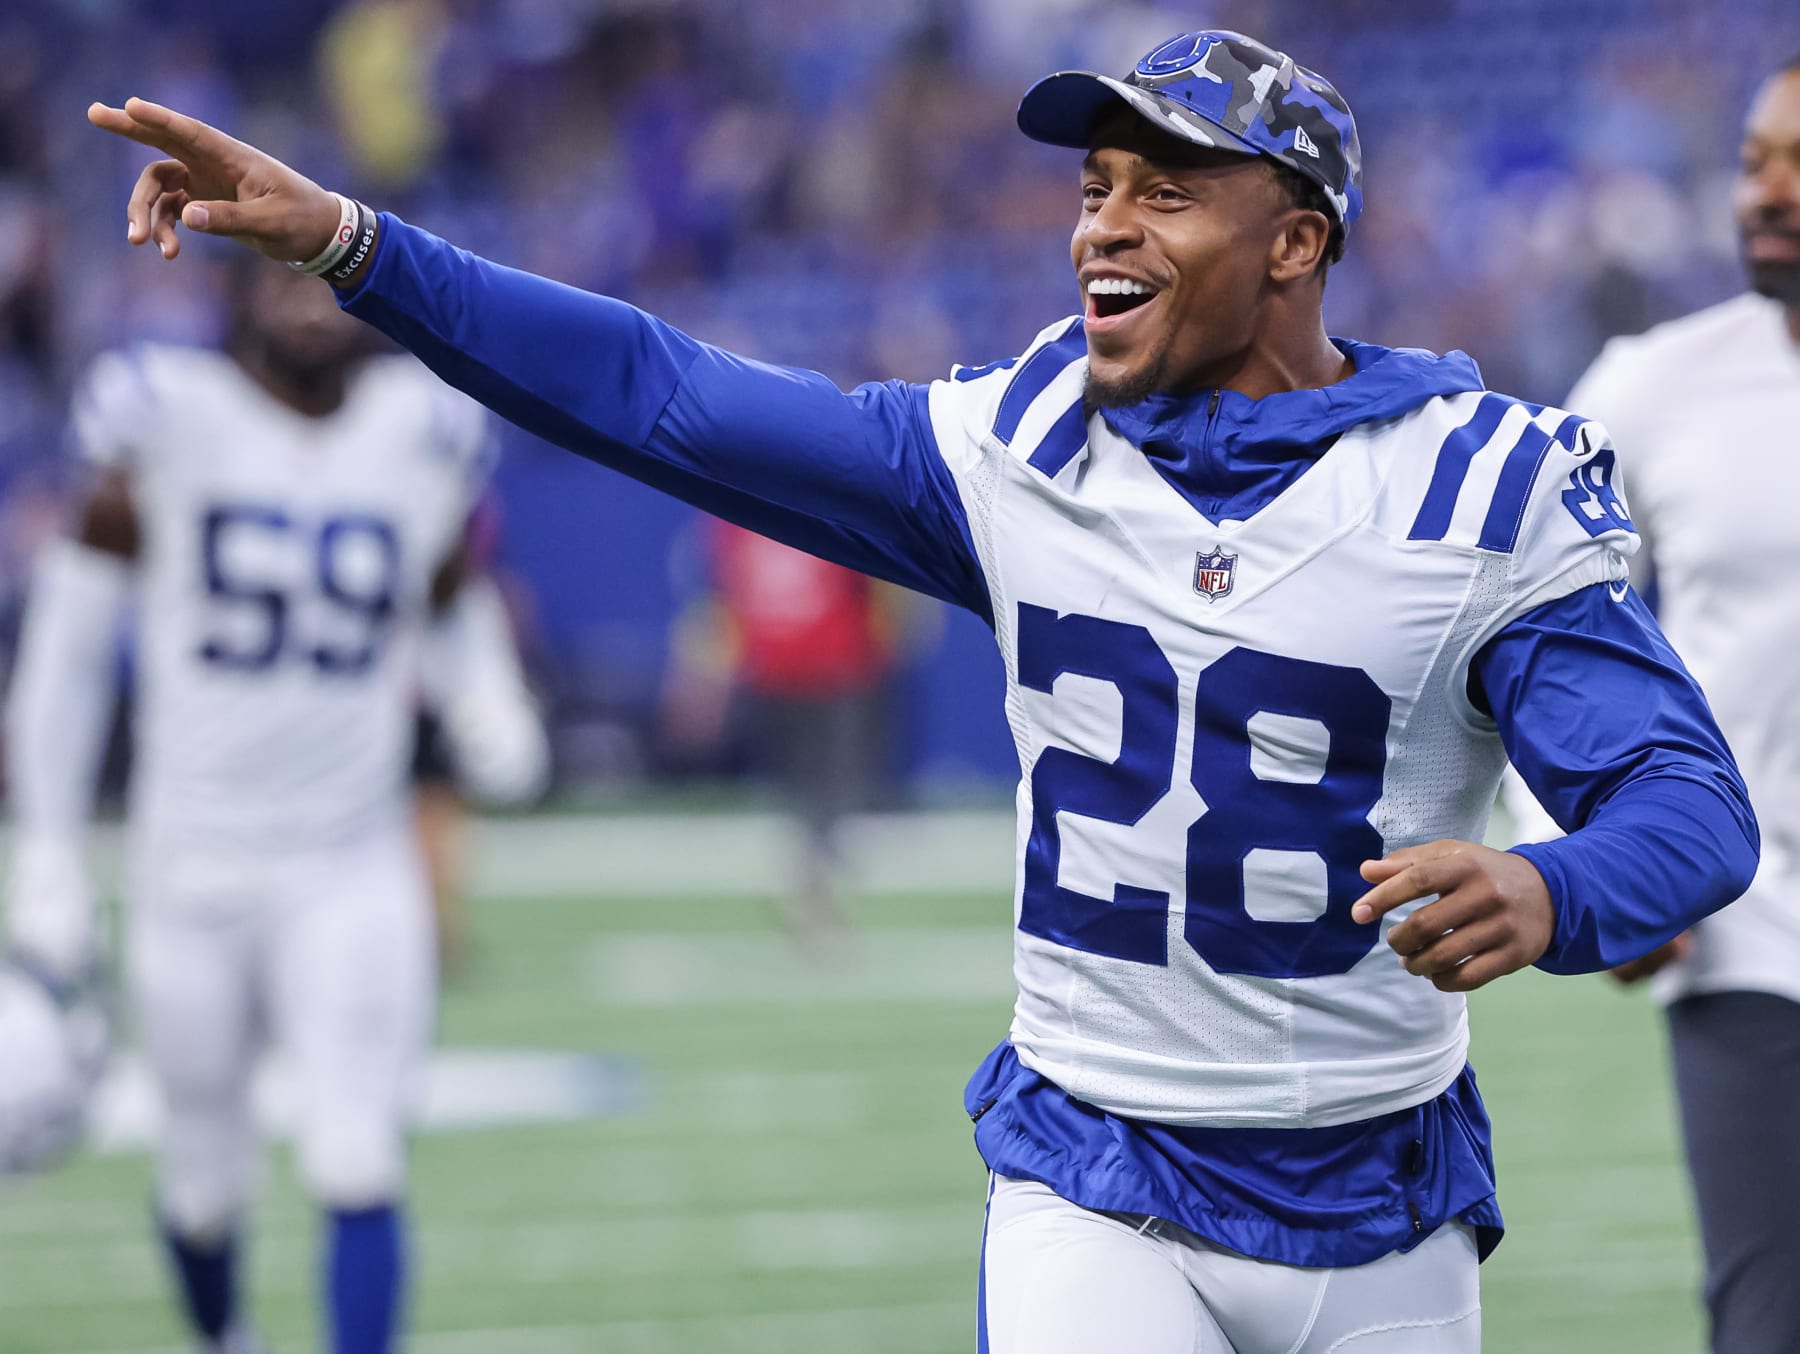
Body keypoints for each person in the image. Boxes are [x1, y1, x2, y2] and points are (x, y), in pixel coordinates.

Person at [87, 29, 1761, 1352]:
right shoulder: (1014, 451)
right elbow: (657, 392)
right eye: (1096, 185)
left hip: (1381, 1189)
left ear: (1296, 243)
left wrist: (1554, 884)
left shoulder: (1474, 489)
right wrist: (356, 246)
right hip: (1100, 1169)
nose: (1104, 223)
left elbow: (1691, 804)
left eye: (1168, 190)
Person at [1, 258, 545, 1354]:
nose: (305, 304)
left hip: (352, 856)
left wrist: (484, 694)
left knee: (358, 1153)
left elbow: (448, 596)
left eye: (323, 281)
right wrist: (45, 846)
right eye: (281, 281)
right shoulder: (167, 415)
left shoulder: (416, 428)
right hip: (189, 861)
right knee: (203, 1180)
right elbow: (67, 650)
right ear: (239, 294)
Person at [1504, 54, 1800, 1354]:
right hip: (1758, 930)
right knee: (1770, 1320)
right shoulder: (1656, 383)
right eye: (1754, 161)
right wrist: (1592, 859)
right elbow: (1518, 613)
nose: (1767, 193)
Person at [663, 518, 903, 938]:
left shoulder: (825, 511)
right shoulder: (733, 522)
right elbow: (722, 596)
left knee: (832, 787)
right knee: (809, 787)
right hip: (780, 669)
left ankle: (813, 883)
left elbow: (875, 581)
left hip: (834, 665)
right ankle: (812, 884)